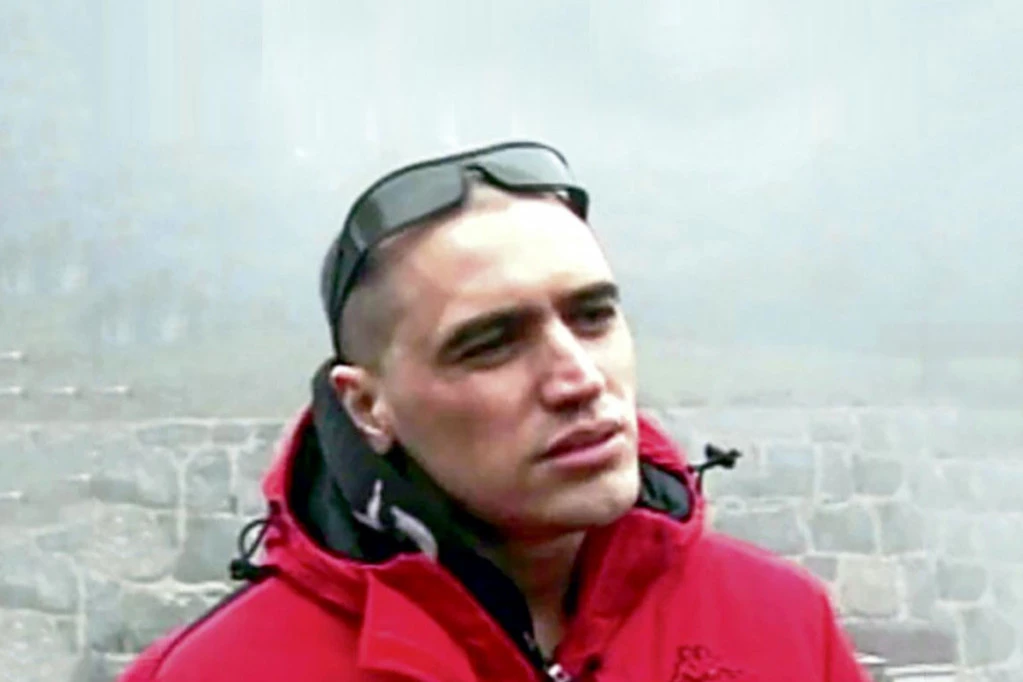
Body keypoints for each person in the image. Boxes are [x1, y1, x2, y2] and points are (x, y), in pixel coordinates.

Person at [119, 141, 871, 681]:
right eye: (490, 345)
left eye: (593, 317)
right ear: (368, 406)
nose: (578, 379)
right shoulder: (224, 670)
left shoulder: (781, 624)